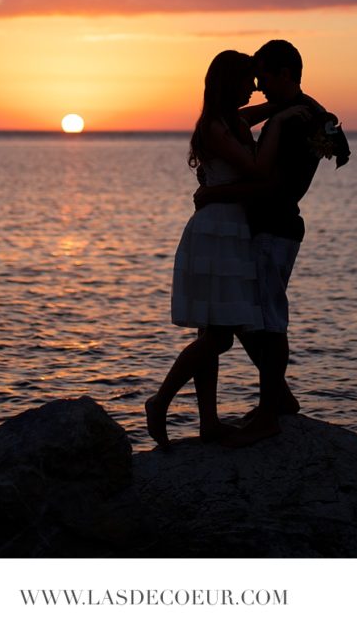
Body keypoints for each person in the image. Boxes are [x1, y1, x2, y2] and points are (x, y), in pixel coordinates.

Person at [144, 50, 305, 448]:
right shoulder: (215, 126)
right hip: (217, 230)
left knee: (213, 333)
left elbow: (270, 107)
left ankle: (209, 423)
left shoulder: (234, 119)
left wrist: (290, 106)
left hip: (233, 228)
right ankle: (160, 401)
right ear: (227, 82)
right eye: (246, 80)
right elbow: (255, 171)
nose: (253, 87)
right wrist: (284, 119)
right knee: (217, 338)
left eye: (256, 79)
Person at [193, 38, 350, 433]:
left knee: (268, 319)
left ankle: (269, 412)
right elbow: (234, 121)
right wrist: (274, 109)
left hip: (274, 227)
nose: (258, 86)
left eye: (263, 78)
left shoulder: (298, 121)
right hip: (264, 227)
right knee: (247, 318)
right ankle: (278, 397)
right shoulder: (302, 112)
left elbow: (271, 186)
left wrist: (214, 193)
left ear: (284, 74)